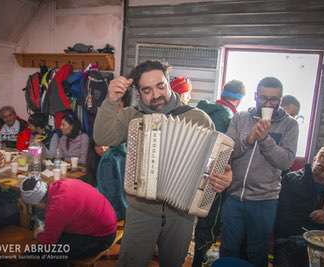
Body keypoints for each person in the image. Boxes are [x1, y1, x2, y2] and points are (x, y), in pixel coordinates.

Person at [93, 60, 233, 267]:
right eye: (147, 90)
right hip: (141, 210)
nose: (156, 95)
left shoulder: (198, 118)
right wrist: (111, 101)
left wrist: (224, 175)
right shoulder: (133, 117)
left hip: (182, 214)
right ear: (139, 93)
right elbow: (102, 137)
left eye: (160, 86)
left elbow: (215, 164)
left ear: (168, 83)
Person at [220, 77, 299, 267]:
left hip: (265, 201)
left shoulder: (290, 125)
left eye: (274, 99)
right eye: (264, 98)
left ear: (281, 99)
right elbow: (227, 152)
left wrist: (265, 139)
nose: (269, 103)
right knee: (228, 248)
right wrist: (249, 139)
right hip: (234, 196)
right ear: (255, 96)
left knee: (257, 251)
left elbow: (285, 162)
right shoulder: (240, 118)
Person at [193, 79, 246, 267]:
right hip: (213, 180)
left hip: (190, 175)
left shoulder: (201, 110)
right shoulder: (228, 118)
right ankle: (198, 260)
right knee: (208, 222)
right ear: (239, 100)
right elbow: (226, 154)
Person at [274, 145, 324, 267]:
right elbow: (282, 220)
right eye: (319, 168)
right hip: (289, 242)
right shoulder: (291, 180)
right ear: (314, 160)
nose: (323, 175)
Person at [20, 177, 117, 260]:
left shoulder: (57, 207)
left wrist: (38, 235)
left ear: (38, 203)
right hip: (107, 221)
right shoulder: (60, 183)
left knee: (49, 253)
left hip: (102, 238)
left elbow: (47, 242)